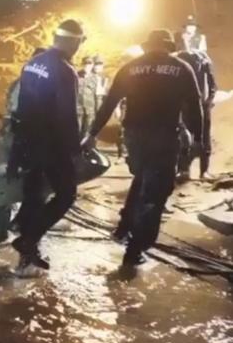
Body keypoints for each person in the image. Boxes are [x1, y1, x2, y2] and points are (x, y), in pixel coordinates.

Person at [82, 29, 203, 267]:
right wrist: (198, 137)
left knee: (143, 176)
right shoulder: (181, 68)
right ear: (169, 46)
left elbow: (110, 102)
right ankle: (135, 249)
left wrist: (92, 133)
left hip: (134, 137)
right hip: (163, 135)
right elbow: (195, 104)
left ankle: (124, 226)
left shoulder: (131, 68)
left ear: (147, 46)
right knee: (156, 193)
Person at [8, 19, 84, 277]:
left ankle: (26, 258)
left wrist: (18, 148)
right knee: (66, 194)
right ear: (73, 41)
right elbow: (67, 115)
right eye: (78, 42)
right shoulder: (65, 70)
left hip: (28, 142)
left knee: (35, 196)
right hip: (52, 144)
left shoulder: (32, 64)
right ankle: (28, 240)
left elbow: (21, 106)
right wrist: (74, 150)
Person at [0, 47, 46, 244]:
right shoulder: (34, 85)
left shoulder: (20, 82)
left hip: (11, 138)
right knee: (25, 186)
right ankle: (18, 235)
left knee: (5, 184)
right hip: (19, 140)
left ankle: (2, 235)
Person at [176, 16, 217, 179]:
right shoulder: (181, 60)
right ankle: (183, 169)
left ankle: (204, 170)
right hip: (186, 104)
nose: (190, 28)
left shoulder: (204, 62)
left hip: (202, 104)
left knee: (205, 136)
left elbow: (212, 82)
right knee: (184, 136)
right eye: (188, 26)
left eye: (193, 26)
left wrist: (209, 99)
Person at [77, 56, 97, 138]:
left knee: (88, 131)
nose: (87, 65)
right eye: (85, 63)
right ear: (82, 64)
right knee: (76, 130)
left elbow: (98, 95)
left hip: (90, 109)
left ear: (92, 65)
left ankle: (86, 149)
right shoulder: (75, 75)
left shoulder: (96, 78)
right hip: (78, 109)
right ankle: (75, 149)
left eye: (89, 63)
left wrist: (97, 110)